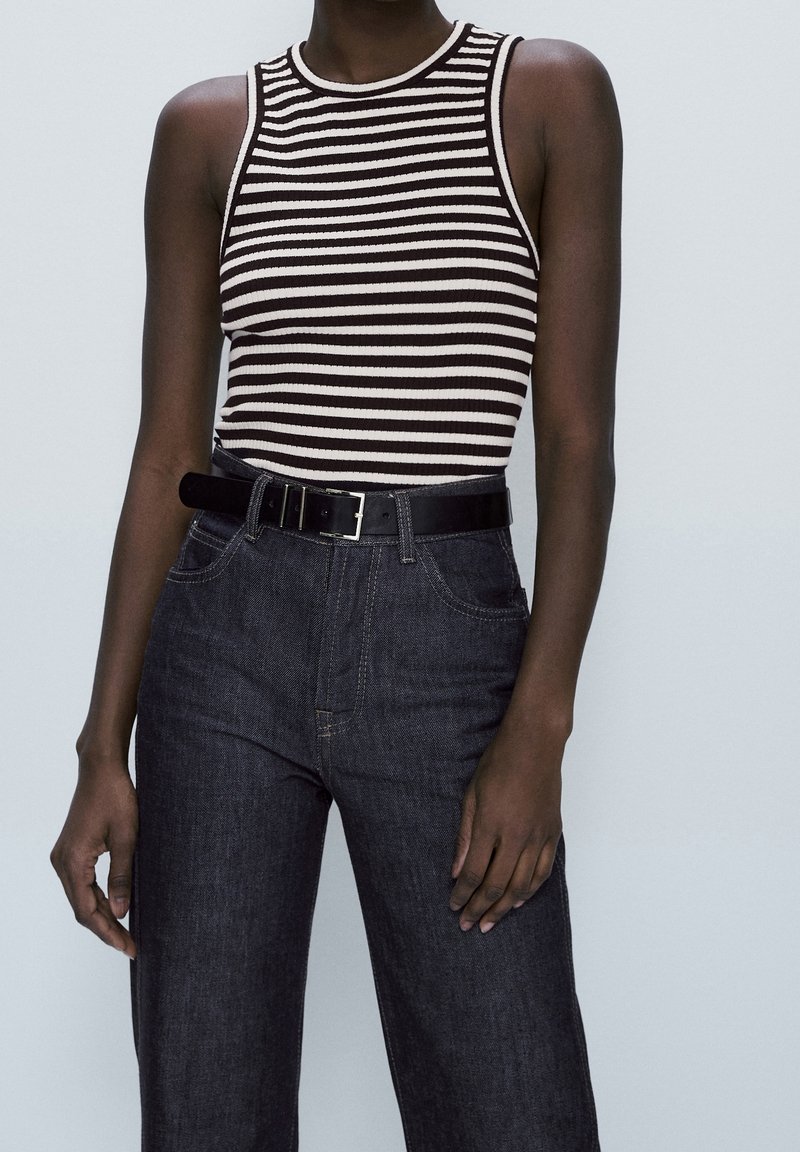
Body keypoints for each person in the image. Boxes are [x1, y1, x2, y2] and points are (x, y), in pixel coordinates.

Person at [50, 3, 621, 1149]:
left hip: (445, 636)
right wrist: (100, 746)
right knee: (207, 1101)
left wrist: (538, 728)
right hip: (225, 635)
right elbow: (170, 451)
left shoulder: (543, 96)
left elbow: (573, 443)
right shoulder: (213, 129)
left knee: (510, 1105)